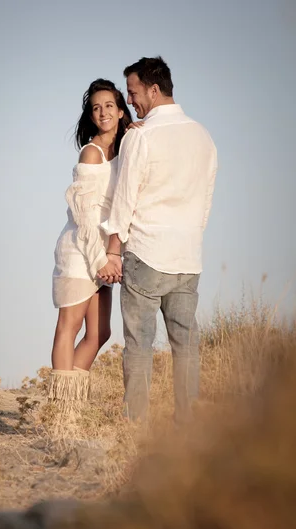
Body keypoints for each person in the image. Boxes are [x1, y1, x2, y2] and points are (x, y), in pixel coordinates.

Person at [99, 56, 218, 424]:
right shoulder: (204, 136)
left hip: (146, 254)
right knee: (186, 346)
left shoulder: (141, 136)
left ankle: (137, 426)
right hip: (187, 257)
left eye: (133, 93)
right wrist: (190, 237)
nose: (131, 101)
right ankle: (188, 427)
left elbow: (124, 198)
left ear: (153, 89)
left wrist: (113, 250)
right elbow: (205, 202)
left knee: (139, 345)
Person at [49, 79, 132, 405]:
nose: (103, 112)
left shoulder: (124, 150)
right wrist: (100, 260)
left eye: (109, 105)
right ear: (91, 115)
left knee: (100, 333)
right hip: (80, 252)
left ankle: (70, 402)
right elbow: (84, 217)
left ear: (120, 109)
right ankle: (61, 411)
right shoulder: (91, 153)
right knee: (68, 327)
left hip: (103, 254)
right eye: (96, 107)